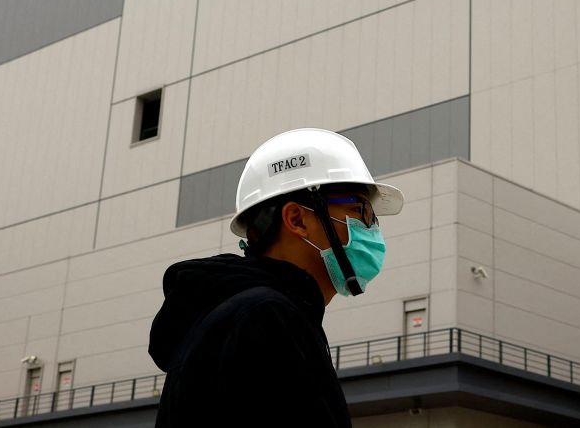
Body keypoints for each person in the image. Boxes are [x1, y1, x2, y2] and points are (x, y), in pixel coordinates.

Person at [148, 128, 404, 427]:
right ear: (297, 220)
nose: (372, 229)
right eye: (362, 212)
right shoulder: (266, 317)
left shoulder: (245, 315)